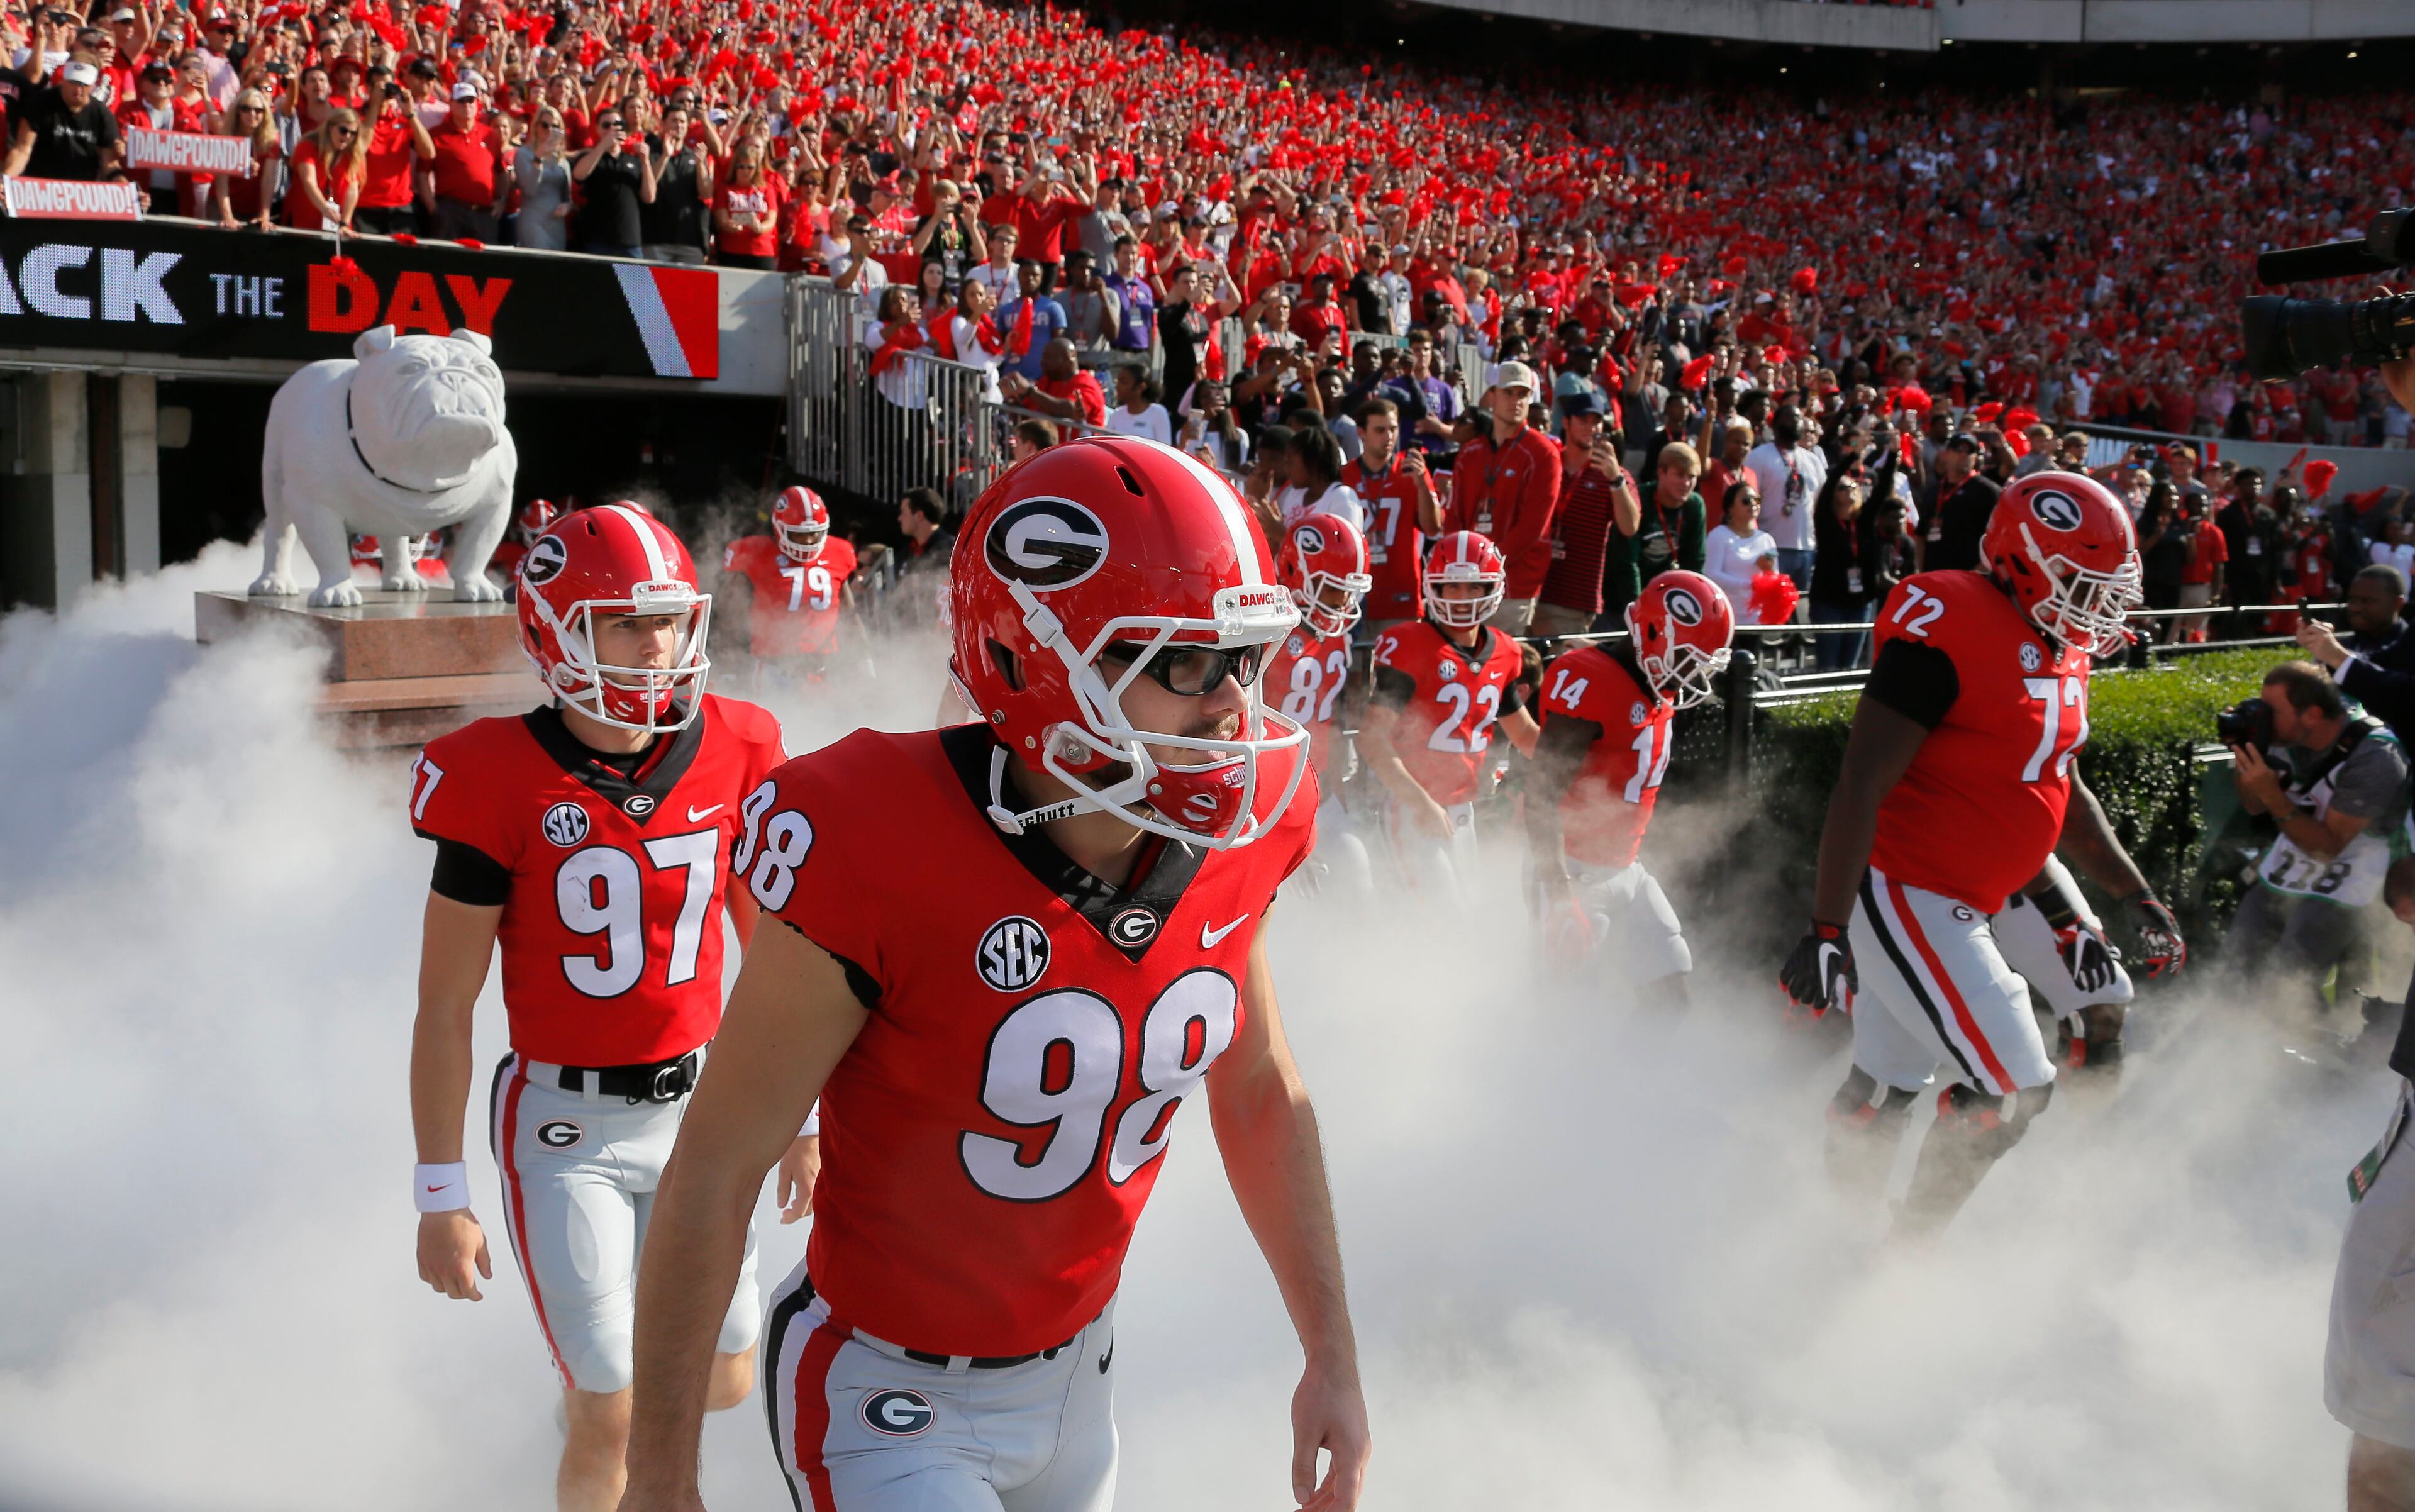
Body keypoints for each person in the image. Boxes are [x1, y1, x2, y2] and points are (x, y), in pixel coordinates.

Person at [616, 438, 1370, 1512]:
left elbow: (1257, 1084)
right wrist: (658, 1474)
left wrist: (1329, 1352)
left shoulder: (1242, 829)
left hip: (1081, 1382)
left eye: (1246, 659)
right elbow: (714, 1167)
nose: (1235, 707)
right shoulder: (871, 832)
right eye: (1189, 662)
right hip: (887, 1394)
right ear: (1037, 663)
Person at [407, 504, 807, 1512]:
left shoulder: (741, 744)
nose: (658, 643)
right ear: (556, 631)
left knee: (721, 1377)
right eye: (626, 622)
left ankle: (587, 1398)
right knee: (616, 1408)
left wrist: (801, 1112)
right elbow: (446, 1003)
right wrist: (439, 1193)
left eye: (668, 618)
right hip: (564, 1126)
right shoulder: (493, 775)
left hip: (703, 1115)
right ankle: (591, 1419)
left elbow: (772, 951)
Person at [1779, 474, 2187, 1236]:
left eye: (2107, 589)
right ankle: (1898, 1252)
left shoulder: (2059, 639)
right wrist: (1826, 928)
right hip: (1916, 892)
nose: (2097, 606)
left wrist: (2137, 893)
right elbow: (1861, 780)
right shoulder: (1953, 620)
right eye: (2082, 582)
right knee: (1997, 1089)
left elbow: (2057, 780)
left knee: (1901, 1085)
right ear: (2025, 562)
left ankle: (1857, 1228)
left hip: (2004, 885)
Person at [1525, 570, 1735, 1004]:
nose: (1695, 672)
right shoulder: (1592, 680)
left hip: (1626, 868)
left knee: (1671, 994)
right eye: (1690, 657)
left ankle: (1639, 1073)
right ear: (1655, 631)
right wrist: (1559, 890)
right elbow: (1541, 791)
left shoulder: (1653, 680)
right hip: (1573, 870)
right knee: (1564, 1012)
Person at [1360, 531, 1541, 903]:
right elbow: (1371, 738)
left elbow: (1524, 735)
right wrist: (1420, 802)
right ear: (1433, 588)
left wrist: (1590, 769)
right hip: (1411, 807)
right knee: (1440, 919)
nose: (1461, 598)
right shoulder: (1408, 644)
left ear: (1492, 588)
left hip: (1463, 809)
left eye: (1473, 587)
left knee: (1464, 922)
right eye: (1451, 587)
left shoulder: (1505, 652)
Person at [2223, 661, 2408, 1019]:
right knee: (2238, 960)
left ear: (2311, 715)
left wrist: (2274, 795)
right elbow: (2254, 806)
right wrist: (2248, 754)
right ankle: (2233, 1042)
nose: (2262, 717)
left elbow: (2327, 847)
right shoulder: (2282, 734)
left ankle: (2321, 1056)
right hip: (2294, 857)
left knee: (2291, 977)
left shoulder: (2375, 757)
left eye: (2271, 711)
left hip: (2361, 866)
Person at [1265, 516, 1375, 899]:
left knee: (1359, 882)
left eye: (1349, 593)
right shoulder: (1269, 634)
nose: (1344, 604)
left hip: (1319, 788)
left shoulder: (1337, 638)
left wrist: (1335, 780)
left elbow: (1328, 718)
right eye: (1333, 591)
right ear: (1297, 572)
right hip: (1269, 795)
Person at [1443, 362, 1560, 633]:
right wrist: (1462, 567)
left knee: (1501, 665)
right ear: (1492, 396)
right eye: (1509, 393)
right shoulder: (1470, 452)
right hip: (1466, 581)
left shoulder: (1544, 454)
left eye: (1523, 395)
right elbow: (1455, 517)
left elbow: (1532, 527)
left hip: (1513, 585)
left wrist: (1485, 567)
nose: (1516, 401)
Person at [717, 486, 860, 686]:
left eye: (815, 534)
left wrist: (865, 658)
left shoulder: (840, 551)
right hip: (774, 667)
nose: (809, 541)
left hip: (824, 666)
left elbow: (851, 613)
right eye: (799, 535)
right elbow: (730, 614)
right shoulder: (755, 553)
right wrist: (729, 657)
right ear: (779, 528)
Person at [1534, 396, 1637, 639]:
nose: (1590, 428)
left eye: (1596, 422)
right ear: (1567, 423)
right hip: (1530, 588)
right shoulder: (1548, 462)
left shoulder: (1613, 474)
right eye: (1583, 420)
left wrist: (1615, 480)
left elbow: (1630, 526)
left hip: (1574, 599)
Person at [1342, 397, 1441, 634]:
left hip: (1401, 598)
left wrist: (1422, 487)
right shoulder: (1345, 476)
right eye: (1380, 430)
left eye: (1393, 429)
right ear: (1362, 433)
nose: (1388, 437)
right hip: (1355, 601)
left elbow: (1433, 528)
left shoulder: (1412, 473)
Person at [1602, 442, 1708, 630]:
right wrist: (1638, 613)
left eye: (1692, 477)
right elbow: (1626, 563)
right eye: (1680, 475)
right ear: (1661, 473)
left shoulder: (1694, 506)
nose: (1686, 484)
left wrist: (1689, 608)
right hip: (1619, 602)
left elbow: (1694, 563)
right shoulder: (1640, 498)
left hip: (1666, 605)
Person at [1744, 406, 1828, 592]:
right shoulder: (1758, 457)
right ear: (1775, 426)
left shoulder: (1813, 460)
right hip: (1771, 546)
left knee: (1800, 606)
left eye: (1798, 418)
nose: (1796, 422)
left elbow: (1821, 503)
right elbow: (1749, 498)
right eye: (1790, 418)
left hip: (1806, 547)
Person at [4, 60, 119, 180]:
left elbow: (110, 164)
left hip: (82, 188)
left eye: (84, 84)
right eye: (73, 82)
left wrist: (126, 187)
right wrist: (6, 180)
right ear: (63, 80)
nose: (78, 89)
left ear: (93, 85)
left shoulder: (102, 114)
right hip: (41, 185)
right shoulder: (41, 104)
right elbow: (22, 149)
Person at [1807, 473, 1872, 671]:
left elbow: (1883, 491)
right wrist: (1851, 458)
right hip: (1829, 603)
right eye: (1842, 487)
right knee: (1829, 667)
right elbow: (1826, 494)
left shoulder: (1862, 522)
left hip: (1858, 603)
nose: (1850, 490)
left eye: (1853, 486)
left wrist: (1893, 455)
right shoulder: (1825, 520)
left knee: (1849, 668)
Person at [427, 82, 504, 243]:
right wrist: (432, 207)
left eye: (471, 100)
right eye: (461, 101)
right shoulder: (436, 134)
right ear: (451, 104)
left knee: (485, 266)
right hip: (450, 210)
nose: (467, 105)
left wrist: (502, 201)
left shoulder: (489, 135)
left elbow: (501, 171)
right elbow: (422, 173)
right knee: (447, 263)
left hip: (484, 213)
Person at [572, 106, 653, 258]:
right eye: (606, 125)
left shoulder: (633, 161)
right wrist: (603, 145)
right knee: (598, 283)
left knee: (638, 284)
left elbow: (649, 197)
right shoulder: (591, 157)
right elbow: (579, 175)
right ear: (597, 128)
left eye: (617, 125)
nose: (612, 129)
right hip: (598, 241)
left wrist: (646, 162)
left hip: (630, 241)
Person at [1919, 433, 1999, 574]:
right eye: (1959, 449)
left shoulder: (1988, 491)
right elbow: (1920, 535)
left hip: (1970, 578)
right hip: (1933, 578)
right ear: (1946, 454)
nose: (1964, 455)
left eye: (1970, 452)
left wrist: (1979, 571)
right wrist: (1919, 571)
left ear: (1975, 458)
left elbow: (1999, 537)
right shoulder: (1933, 491)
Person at [1704, 482, 1777, 622]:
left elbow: (1775, 578)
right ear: (1730, 508)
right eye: (1746, 501)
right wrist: (1749, 585)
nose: (1753, 504)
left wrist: (1769, 572)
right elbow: (1712, 575)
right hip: (1726, 616)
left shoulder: (1767, 539)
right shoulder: (1719, 535)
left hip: (1757, 619)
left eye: (1757, 500)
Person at [284, 106, 362, 232]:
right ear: (331, 127)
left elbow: (353, 190)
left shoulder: (353, 155)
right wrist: (325, 208)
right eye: (343, 130)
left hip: (336, 226)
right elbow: (309, 182)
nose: (348, 136)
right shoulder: (308, 147)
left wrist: (345, 223)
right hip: (304, 223)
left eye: (353, 133)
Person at [711, 140, 782, 271]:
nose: (745, 171)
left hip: (762, 252)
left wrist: (761, 228)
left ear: (756, 169)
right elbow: (722, 218)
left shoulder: (767, 190)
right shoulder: (724, 189)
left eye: (750, 167)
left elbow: (772, 218)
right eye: (741, 167)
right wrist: (730, 225)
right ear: (735, 167)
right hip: (732, 251)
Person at [1102, 365, 1171, 447]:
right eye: (1117, 381)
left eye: (1124, 382)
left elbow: (1165, 449)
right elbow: (1106, 445)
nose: (1118, 386)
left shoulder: (1158, 412)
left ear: (1141, 387)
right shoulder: (1117, 413)